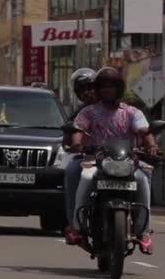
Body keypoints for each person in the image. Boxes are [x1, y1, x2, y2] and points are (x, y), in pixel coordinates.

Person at [66, 67, 159, 254]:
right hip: (95, 161)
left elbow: (143, 130)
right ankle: (76, 227)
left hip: (127, 162)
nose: (108, 90)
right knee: (85, 177)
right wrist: (77, 143)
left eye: (112, 86)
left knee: (143, 179)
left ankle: (144, 231)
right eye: (104, 86)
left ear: (119, 88)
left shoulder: (132, 112)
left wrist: (151, 144)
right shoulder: (88, 112)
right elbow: (78, 128)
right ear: (98, 89)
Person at [63, 68, 98, 230]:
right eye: (82, 90)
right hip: (89, 159)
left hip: (119, 160)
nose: (88, 93)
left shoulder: (123, 109)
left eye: (91, 88)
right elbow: (69, 137)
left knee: (142, 175)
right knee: (72, 171)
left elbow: (140, 131)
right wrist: (74, 144)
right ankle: (74, 223)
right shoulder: (80, 114)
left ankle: (141, 227)